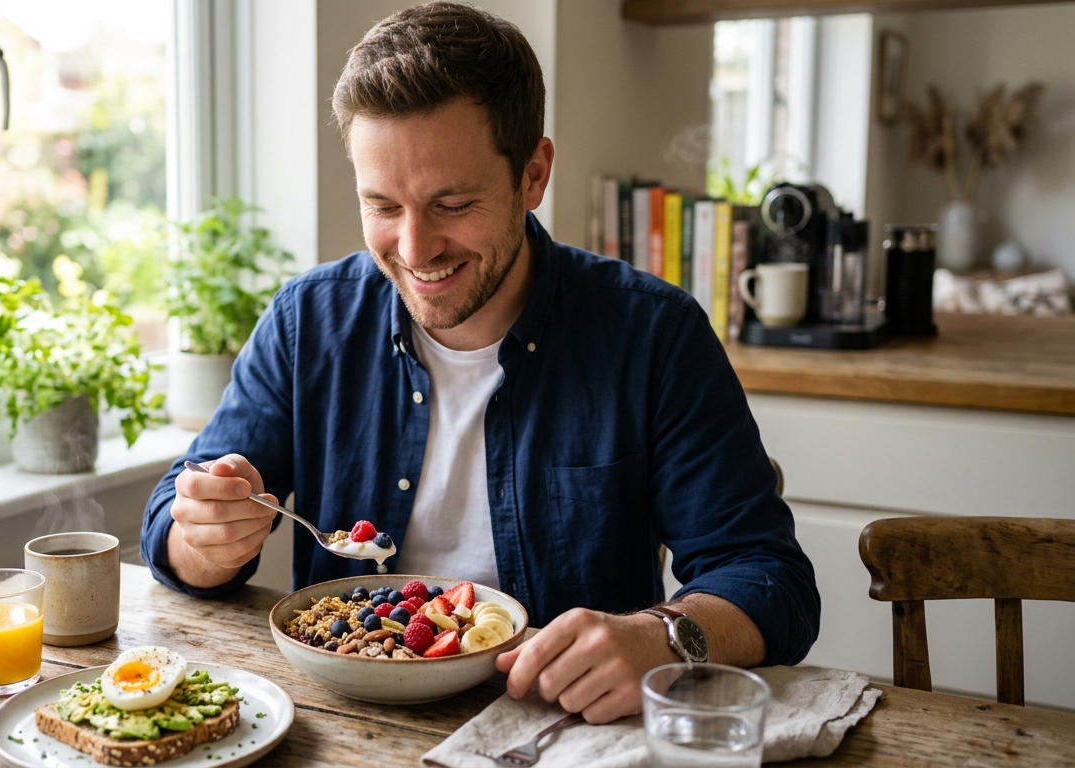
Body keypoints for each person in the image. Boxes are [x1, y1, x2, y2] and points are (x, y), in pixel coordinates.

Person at [141, 1, 819, 724]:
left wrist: (664, 636)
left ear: (533, 175)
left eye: (452, 202)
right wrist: (203, 540)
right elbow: (174, 524)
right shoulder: (312, 321)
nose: (413, 247)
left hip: (565, 729)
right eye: (382, 205)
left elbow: (769, 578)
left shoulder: (652, 334)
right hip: (351, 726)